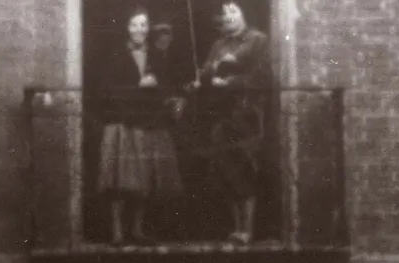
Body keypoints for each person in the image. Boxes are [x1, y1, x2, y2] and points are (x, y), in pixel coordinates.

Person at [97, 7, 181, 246]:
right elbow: (106, 90)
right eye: (135, 25)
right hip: (123, 122)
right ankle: (117, 232)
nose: (139, 30)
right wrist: (138, 87)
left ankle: (137, 229)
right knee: (120, 180)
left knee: (144, 180)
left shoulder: (156, 56)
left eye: (144, 25)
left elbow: (165, 85)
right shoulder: (115, 55)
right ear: (127, 28)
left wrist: (161, 90)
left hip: (148, 123)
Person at [194, 1, 271, 244]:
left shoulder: (258, 40)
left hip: (246, 113)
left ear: (243, 14)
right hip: (221, 115)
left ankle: (247, 229)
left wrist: (230, 82)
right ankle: (236, 227)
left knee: (244, 168)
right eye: (224, 13)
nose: (228, 16)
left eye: (233, 11)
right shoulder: (219, 44)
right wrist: (209, 73)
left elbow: (262, 74)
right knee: (225, 171)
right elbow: (206, 72)